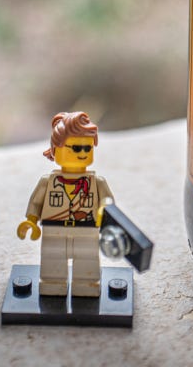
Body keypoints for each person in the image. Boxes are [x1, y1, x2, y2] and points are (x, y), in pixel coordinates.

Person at [17, 111, 114, 298]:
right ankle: (52, 284)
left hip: (87, 231)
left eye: (87, 148)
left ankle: (86, 285)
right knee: (52, 260)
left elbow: (108, 202)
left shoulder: (97, 183)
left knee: (87, 261)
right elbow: (36, 202)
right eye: (76, 148)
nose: (82, 153)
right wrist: (31, 221)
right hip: (54, 230)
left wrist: (104, 210)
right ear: (55, 149)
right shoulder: (47, 182)